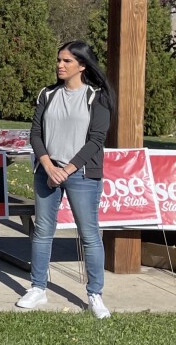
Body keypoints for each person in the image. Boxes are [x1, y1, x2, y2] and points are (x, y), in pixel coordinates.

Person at [16, 41, 115, 319]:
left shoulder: (97, 97)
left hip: (82, 175)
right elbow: (35, 134)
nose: (60, 65)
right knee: (43, 231)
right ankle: (38, 288)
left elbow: (96, 140)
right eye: (59, 60)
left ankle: (95, 294)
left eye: (67, 61)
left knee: (89, 235)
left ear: (82, 66)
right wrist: (48, 166)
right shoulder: (47, 94)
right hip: (47, 173)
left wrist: (68, 169)